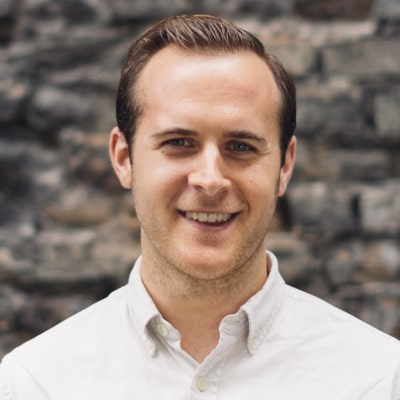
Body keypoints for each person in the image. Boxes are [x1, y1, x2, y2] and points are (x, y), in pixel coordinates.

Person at [0, 14, 399, 400]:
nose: (210, 179)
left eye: (240, 146)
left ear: (284, 166)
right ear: (124, 158)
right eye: (179, 143)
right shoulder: (34, 384)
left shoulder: (379, 380)